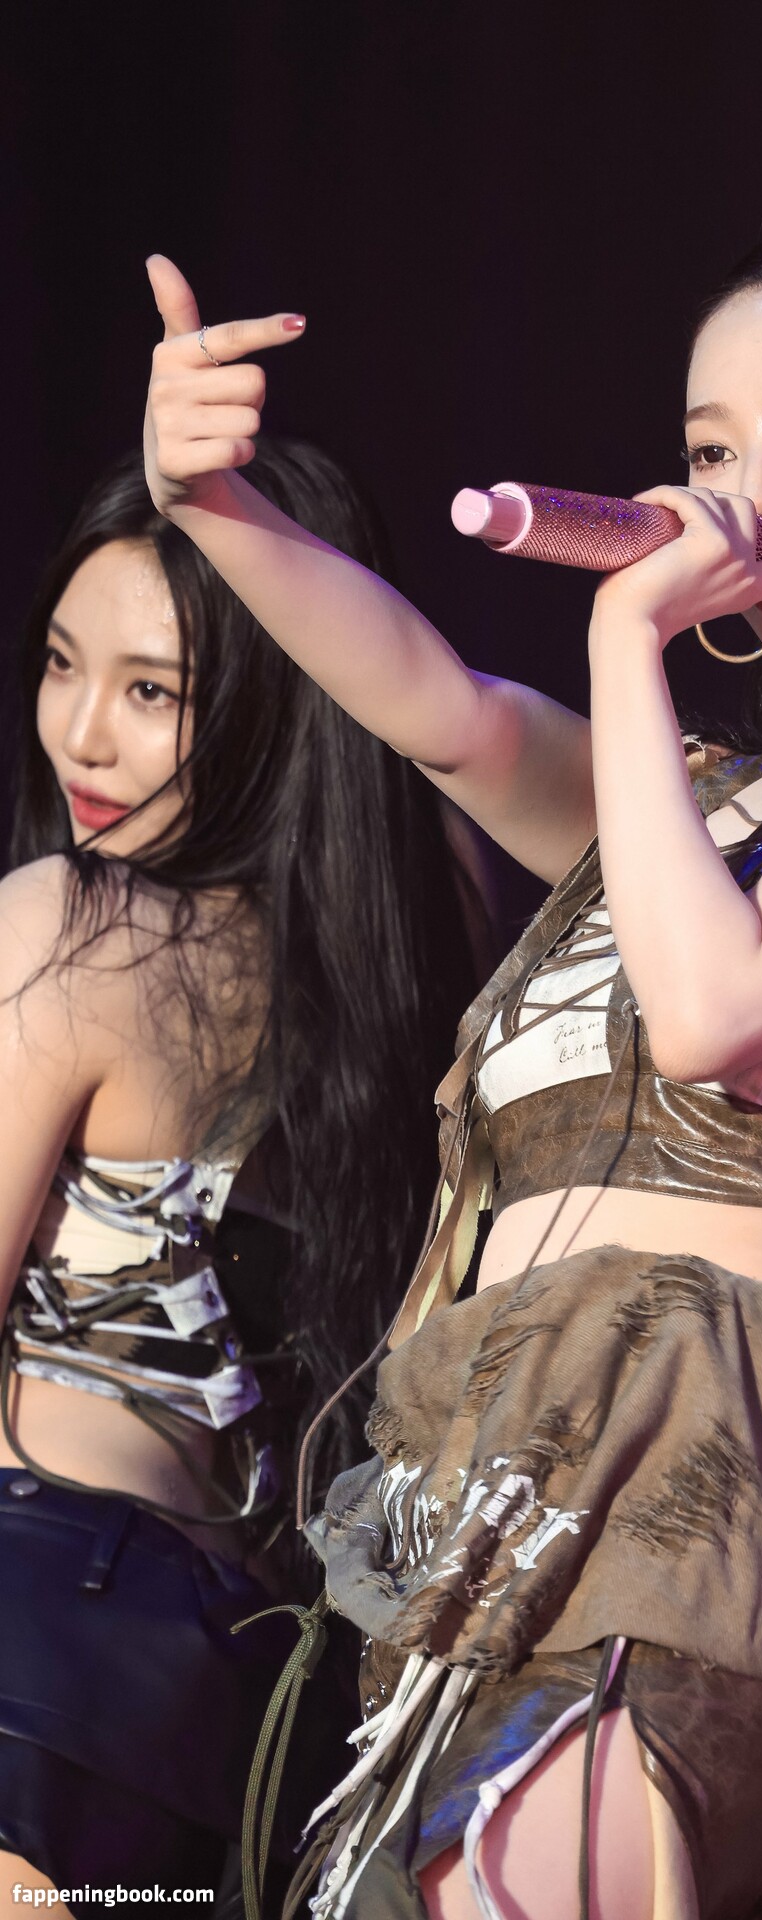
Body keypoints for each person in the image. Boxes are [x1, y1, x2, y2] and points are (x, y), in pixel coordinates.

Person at [139, 215, 762, 1920]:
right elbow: (437, 706)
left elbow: (715, 1008)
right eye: (711, 451)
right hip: (495, 1484)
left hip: (682, 1473)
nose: (752, 490)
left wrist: (621, 638)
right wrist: (211, 504)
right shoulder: (697, 802)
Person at [0, 439, 484, 1912]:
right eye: (61, 665)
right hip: (251, 1735)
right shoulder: (420, 939)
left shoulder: (70, 927)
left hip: (31, 1637)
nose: (81, 736)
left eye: (153, 692)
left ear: (281, 692)